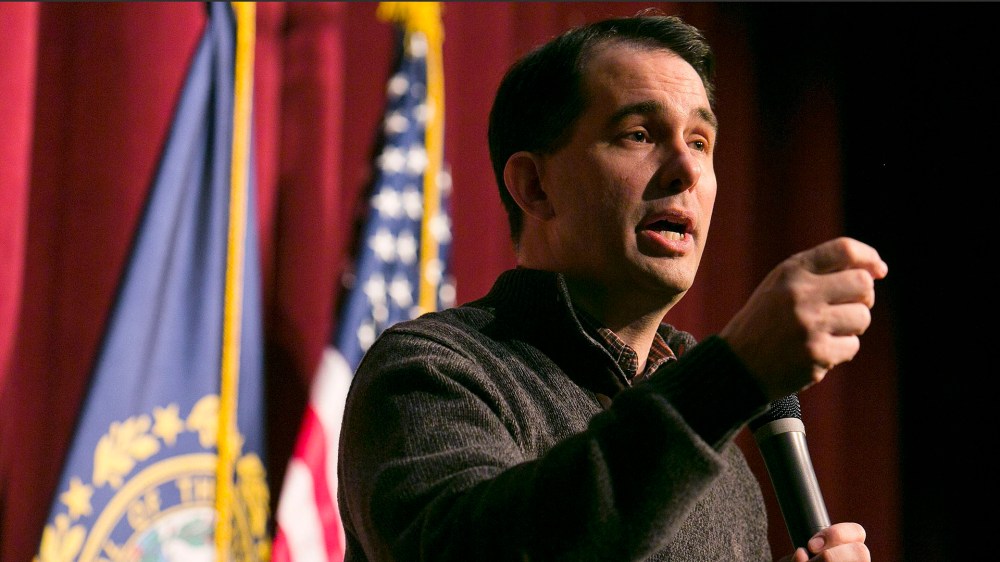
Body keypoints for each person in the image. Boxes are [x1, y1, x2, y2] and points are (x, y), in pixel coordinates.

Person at [337, 10, 884, 562]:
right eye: (639, 134)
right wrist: (730, 376)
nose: (686, 171)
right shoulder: (433, 370)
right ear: (534, 185)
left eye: (699, 141)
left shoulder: (727, 466)